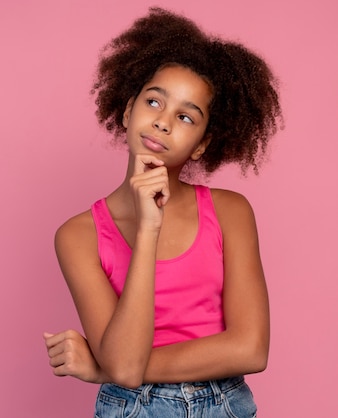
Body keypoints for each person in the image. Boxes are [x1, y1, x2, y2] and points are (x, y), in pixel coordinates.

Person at [43, 7, 282, 417]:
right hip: (131, 408)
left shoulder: (230, 212)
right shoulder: (78, 236)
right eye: (154, 101)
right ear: (127, 109)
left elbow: (251, 348)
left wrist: (109, 369)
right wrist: (148, 230)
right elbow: (125, 367)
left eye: (186, 116)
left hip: (225, 406)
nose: (163, 123)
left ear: (202, 144)